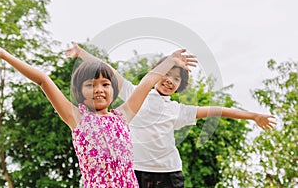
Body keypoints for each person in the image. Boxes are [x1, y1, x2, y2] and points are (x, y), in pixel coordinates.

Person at [65, 43, 277, 188]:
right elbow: (107, 69)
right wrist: (81, 52)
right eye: (167, 74)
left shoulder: (178, 110)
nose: (170, 80)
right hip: (136, 171)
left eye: (176, 79)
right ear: (156, 74)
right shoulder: (135, 93)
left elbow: (216, 110)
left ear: (180, 85)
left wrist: (253, 116)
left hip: (168, 172)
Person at [0, 46, 197, 187]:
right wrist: (4, 54)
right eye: (90, 85)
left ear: (114, 89)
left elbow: (146, 83)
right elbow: (43, 80)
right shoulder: (76, 118)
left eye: (105, 84)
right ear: (79, 91)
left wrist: (170, 62)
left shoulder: (122, 116)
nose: (98, 90)